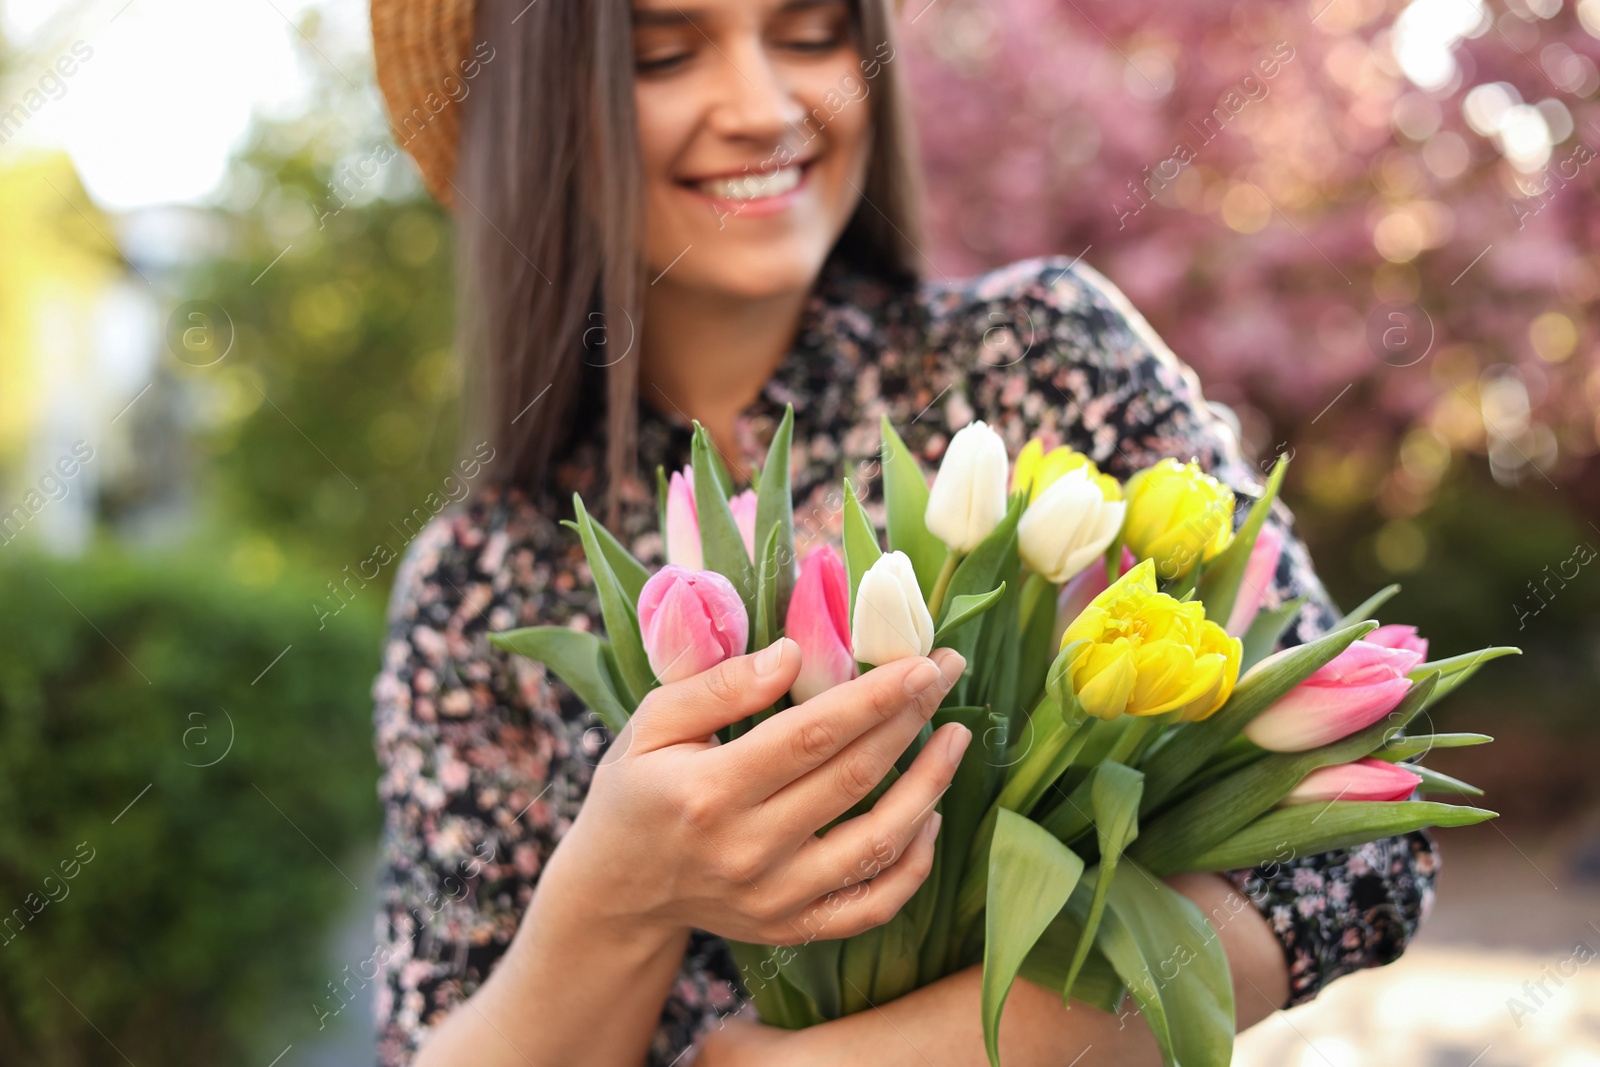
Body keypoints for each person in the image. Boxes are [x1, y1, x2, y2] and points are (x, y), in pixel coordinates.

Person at [366, 0, 1438, 1063]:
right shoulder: (483, 575)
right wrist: (614, 893)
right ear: (541, 109)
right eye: (663, 51)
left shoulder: (1035, 357)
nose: (766, 105)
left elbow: (1361, 844)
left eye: (807, 35)